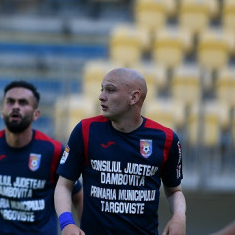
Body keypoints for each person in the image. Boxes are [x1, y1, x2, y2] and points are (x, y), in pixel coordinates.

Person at [54, 68, 186, 235]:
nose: (101, 96)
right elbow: (64, 185)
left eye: (110, 90)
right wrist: (67, 223)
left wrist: (179, 217)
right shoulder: (86, 130)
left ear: (134, 97)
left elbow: (174, 191)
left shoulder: (166, 139)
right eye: (102, 89)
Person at [0, 80, 83, 235]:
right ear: (2, 111)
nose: (15, 106)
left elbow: (78, 195)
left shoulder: (53, 151)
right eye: (10, 101)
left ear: (36, 114)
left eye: (23, 102)